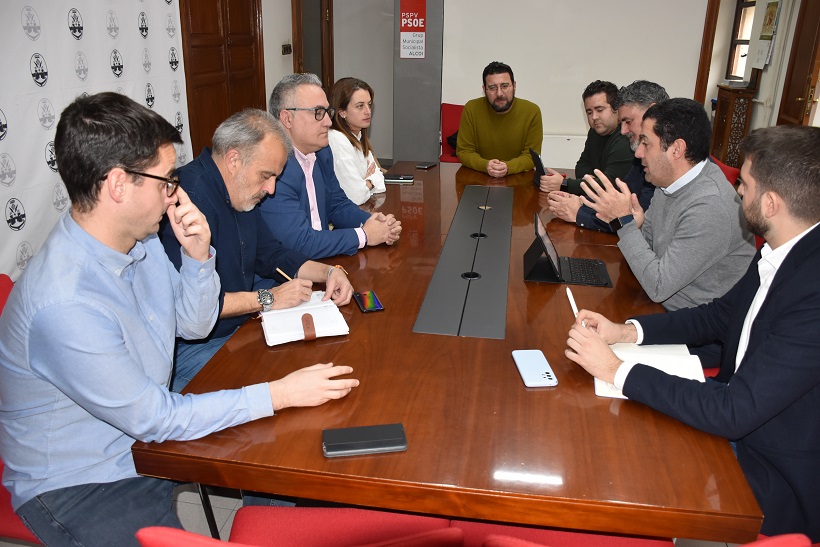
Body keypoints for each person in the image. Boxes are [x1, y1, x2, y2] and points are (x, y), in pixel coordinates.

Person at [0, 93, 359, 546]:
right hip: (83, 482)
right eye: (167, 180)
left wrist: (197, 257)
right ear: (118, 185)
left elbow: (192, 323)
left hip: (142, 446)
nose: (176, 191)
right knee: (278, 411)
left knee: (285, 458)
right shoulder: (64, 302)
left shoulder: (140, 241)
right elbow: (156, 418)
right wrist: (279, 392)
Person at [565, 125, 820, 541]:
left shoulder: (814, 293)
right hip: (740, 426)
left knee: (615, 471)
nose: (737, 190)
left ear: (771, 204)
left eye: (745, 183)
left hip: (771, 477)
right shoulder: (780, 249)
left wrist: (616, 371)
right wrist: (625, 332)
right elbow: (719, 316)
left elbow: (736, 410)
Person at [159, 108, 356, 391]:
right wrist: (267, 298)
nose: (271, 188)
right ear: (234, 160)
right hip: (195, 346)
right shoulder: (187, 200)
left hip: (240, 328)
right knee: (286, 381)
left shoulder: (242, 191)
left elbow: (273, 254)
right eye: (266, 175)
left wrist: (329, 272)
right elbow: (188, 306)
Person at [603, 98, 755, 311]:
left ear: (676, 149)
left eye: (646, 143)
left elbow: (658, 286)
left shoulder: (710, 206)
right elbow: (649, 250)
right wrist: (635, 226)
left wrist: (625, 223)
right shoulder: (668, 182)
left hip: (693, 327)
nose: (638, 153)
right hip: (661, 306)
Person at [261, 73, 401, 260]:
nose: (328, 122)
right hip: (289, 276)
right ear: (287, 119)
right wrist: (365, 235)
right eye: (318, 113)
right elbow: (301, 243)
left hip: (324, 258)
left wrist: (373, 223)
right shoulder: (273, 169)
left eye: (327, 112)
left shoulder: (322, 152)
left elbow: (337, 205)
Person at [573, 80, 669, 232]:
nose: (623, 131)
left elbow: (633, 220)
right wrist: (581, 204)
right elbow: (620, 204)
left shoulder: (665, 165)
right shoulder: (641, 159)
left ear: (653, 113)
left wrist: (579, 213)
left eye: (628, 121)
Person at [541, 81, 633, 227]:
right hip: (596, 207)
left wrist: (564, 184)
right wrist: (591, 180)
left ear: (616, 109)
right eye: (589, 112)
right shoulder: (595, 132)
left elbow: (607, 185)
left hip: (619, 221)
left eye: (600, 109)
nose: (594, 117)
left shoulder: (626, 139)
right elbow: (582, 164)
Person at [456, 61, 543, 178]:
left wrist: (507, 167)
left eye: (505, 86)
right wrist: (485, 165)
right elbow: (464, 151)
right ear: (484, 89)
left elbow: (531, 156)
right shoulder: (471, 108)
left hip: (519, 178)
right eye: (492, 88)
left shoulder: (532, 111)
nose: (499, 93)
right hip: (479, 177)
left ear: (514, 85)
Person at [328, 77, 386, 205]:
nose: (368, 111)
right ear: (342, 112)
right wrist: (370, 182)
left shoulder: (358, 136)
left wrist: (365, 182)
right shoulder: (337, 139)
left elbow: (381, 183)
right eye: (360, 106)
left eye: (369, 105)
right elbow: (356, 196)